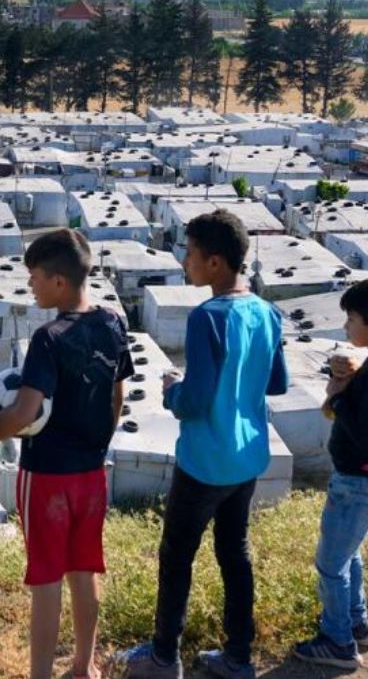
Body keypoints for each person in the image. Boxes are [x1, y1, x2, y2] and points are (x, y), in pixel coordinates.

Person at [118, 210, 289, 679]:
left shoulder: (208, 318)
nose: (185, 262)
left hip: (205, 460)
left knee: (176, 557)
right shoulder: (266, 312)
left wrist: (172, 387)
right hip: (248, 455)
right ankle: (238, 655)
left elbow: (192, 403)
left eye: (190, 253)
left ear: (214, 262)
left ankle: (163, 655)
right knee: (235, 552)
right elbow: (277, 382)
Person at [0, 228, 132, 679]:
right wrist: (97, 442)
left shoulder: (48, 339)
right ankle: (83, 666)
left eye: (34, 277)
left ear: (59, 283)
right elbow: (117, 394)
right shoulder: (112, 322)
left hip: (46, 473)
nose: (30, 285)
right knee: (84, 571)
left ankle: (41, 676)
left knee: (46, 579)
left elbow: (26, 410)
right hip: (91, 472)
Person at [293, 274, 368, 670]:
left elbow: (362, 436)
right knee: (350, 557)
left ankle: (339, 642)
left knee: (330, 565)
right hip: (366, 482)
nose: (346, 329)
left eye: (351, 322)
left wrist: (340, 396)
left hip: (356, 484)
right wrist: (344, 379)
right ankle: (357, 624)